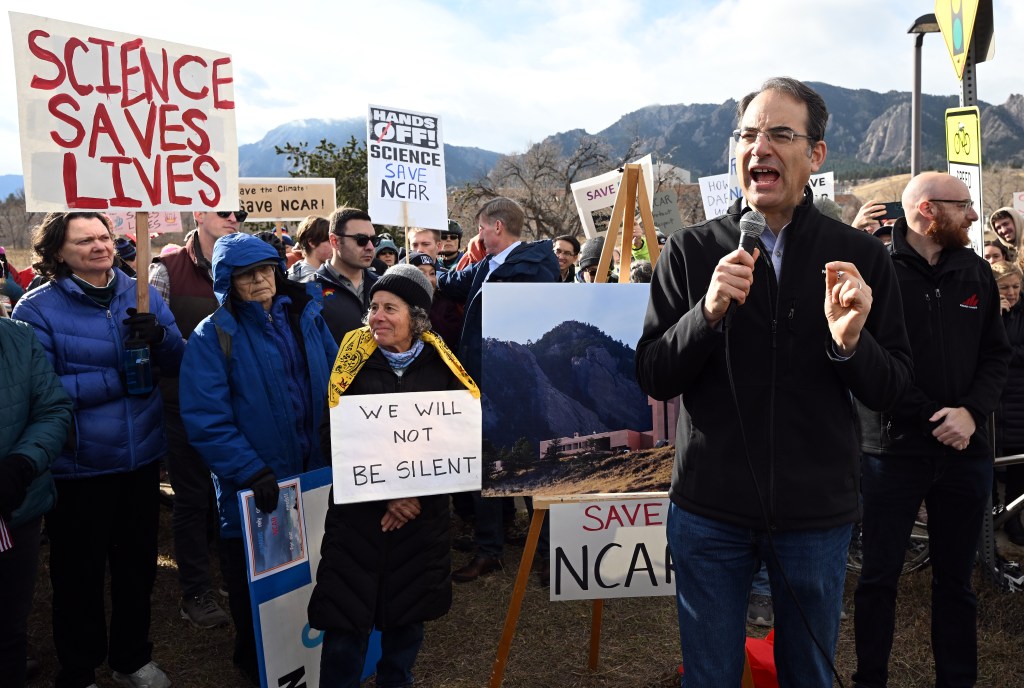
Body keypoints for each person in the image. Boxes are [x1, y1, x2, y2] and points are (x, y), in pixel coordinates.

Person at [635, 77, 912, 687]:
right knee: (709, 675)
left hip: (816, 515)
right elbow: (654, 372)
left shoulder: (859, 257)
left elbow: (893, 387)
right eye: (748, 134)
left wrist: (849, 344)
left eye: (780, 134)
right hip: (709, 511)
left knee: (808, 673)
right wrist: (705, 316)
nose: (759, 147)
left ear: (815, 155)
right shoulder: (689, 251)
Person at [13, 211, 185, 688]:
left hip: (140, 458)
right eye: (84, 239)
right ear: (57, 252)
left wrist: (162, 338)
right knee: (78, 576)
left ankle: (131, 658)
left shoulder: (138, 291)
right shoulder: (37, 308)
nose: (99, 245)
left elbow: (179, 358)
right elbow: (42, 392)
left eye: (104, 236)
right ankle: (79, 667)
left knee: (137, 568)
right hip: (78, 465)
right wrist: (122, 376)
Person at [853, 172, 1011, 688]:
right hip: (892, 451)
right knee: (878, 580)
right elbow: (869, 360)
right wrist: (930, 417)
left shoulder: (976, 273)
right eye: (963, 205)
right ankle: (869, 678)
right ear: (927, 210)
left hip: (966, 450)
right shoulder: (879, 269)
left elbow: (996, 355)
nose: (972, 215)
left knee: (956, 583)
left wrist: (969, 413)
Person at [179, 232, 336, 686]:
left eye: (266, 269)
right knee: (261, 584)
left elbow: (336, 385)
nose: (261, 280)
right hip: (257, 487)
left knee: (314, 569)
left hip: (314, 478)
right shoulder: (213, 336)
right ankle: (258, 662)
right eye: (247, 274)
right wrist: (250, 470)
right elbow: (207, 418)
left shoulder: (307, 316)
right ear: (228, 282)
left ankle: (310, 652)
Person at [309, 263, 475, 688]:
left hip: (420, 521)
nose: (377, 317)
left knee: (406, 621)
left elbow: (456, 441)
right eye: (374, 307)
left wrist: (413, 496)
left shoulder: (444, 366)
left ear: (416, 317)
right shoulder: (351, 361)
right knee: (347, 624)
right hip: (359, 520)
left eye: (390, 308)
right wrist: (387, 495)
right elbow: (333, 434)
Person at [436, 196, 559, 583]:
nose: (479, 235)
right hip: (481, 384)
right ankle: (489, 551)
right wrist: (426, 270)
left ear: (497, 228)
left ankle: (547, 553)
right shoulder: (489, 264)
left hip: (515, 386)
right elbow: (456, 285)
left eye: (481, 228)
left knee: (529, 469)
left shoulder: (535, 267)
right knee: (484, 469)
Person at [150, 209, 246, 629]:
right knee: (191, 499)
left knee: (233, 496)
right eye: (226, 212)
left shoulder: (246, 266)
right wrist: (202, 353)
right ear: (200, 213)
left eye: (240, 214)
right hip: (183, 406)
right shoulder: (165, 270)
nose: (234, 219)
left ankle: (232, 576)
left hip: (239, 405)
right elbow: (156, 338)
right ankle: (195, 591)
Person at [0, 318, 72, 688]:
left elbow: (52, 409)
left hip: (16, 510)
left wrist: (22, 463)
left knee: (9, 627)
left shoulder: (18, 337)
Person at [992, 259, 1024, 545]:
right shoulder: (988, 312)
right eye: (1005, 287)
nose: (1012, 292)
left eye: (1016, 286)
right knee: (986, 468)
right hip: (991, 403)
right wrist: (997, 319)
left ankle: (1012, 521)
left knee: (1016, 470)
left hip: (1016, 403)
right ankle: (989, 518)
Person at [313, 207, 380, 342]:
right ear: (334, 241)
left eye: (373, 239)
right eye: (361, 239)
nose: (370, 247)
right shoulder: (311, 290)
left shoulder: (382, 285)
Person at [287, 216, 332, 282]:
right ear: (312, 242)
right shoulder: (313, 281)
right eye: (329, 242)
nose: (335, 246)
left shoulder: (294, 272)